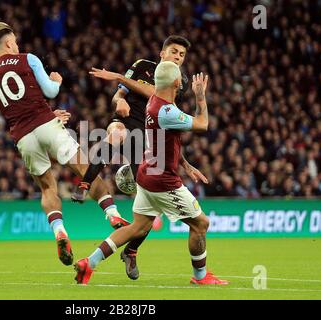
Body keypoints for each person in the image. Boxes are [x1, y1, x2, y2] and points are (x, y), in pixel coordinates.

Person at [0, 22, 129, 266]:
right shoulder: (26, 58)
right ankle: (113, 215)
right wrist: (56, 81)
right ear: (9, 43)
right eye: (15, 41)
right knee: (86, 171)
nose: (17, 45)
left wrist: (45, 115)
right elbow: (49, 92)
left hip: (23, 136)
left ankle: (59, 231)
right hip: (47, 125)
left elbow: (16, 107)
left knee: (48, 189)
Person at [74, 62, 228, 286]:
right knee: (201, 224)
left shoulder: (153, 103)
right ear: (176, 83)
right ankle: (201, 277)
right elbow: (203, 124)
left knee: (137, 227)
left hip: (146, 175)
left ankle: (89, 262)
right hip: (163, 181)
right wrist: (201, 97)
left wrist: (184, 164)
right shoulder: (167, 111)